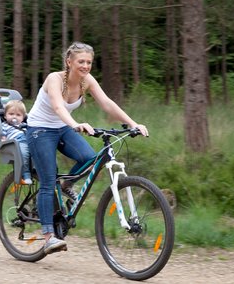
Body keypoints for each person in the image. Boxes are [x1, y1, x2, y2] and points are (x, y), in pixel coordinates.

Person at [26, 42, 149, 254]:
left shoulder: (87, 81)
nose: (85, 66)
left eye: (89, 62)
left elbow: (107, 103)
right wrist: (75, 124)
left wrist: (133, 123)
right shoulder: (54, 79)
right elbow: (57, 106)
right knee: (47, 179)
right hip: (40, 129)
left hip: (62, 127)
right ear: (69, 61)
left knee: (90, 158)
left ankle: (66, 185)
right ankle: (48, 236)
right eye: (81, 61)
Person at [0, 99, 33, 184]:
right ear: (5, 116)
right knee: (24, 154)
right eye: (11, 114)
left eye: (18, 115)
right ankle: (26, 174)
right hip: (17, 142)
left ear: (23, 117)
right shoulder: (5, 125)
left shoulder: (24, 125)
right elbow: (2, 134)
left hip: (29, 141)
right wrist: (3, 139)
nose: (14, 117)